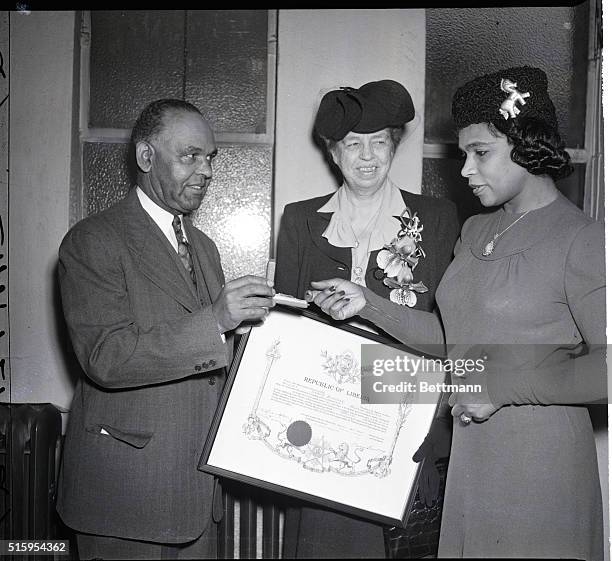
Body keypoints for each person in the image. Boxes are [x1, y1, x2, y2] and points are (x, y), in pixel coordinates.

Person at [305, 66, 605, 559]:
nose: (465, 170)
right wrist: (370, 304)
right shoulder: (475, 230)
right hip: (473, 460)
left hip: (539, 468)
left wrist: (501, 388)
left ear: (526, 145)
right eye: (465, 153)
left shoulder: (582, 238)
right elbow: (454, 342)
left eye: (480, 153)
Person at [56, 99, 276, 560]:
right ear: (145, 157)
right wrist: (216, 319)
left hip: (197, 493)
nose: (207, 171)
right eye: (190, 156)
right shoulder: (93, 240)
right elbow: (107, 357)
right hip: (127, 495)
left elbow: (212, 358)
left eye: (211, 157)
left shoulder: (204, 246)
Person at [275, 80, 460, 558]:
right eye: (353, 144)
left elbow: (449, 332)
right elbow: (285, 323)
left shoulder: (437, 219)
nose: (368, 156)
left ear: (395, 145)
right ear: (333, 152)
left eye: (380, 141)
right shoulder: (299, 220)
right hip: (321, 421)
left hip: (404, 420)